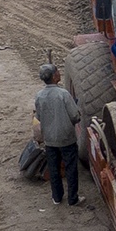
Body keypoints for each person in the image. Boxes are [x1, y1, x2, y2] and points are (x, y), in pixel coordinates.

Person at [33, 64, 81, 205]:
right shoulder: (64, 94)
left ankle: (57, 197)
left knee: (54, 169)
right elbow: (75, 116)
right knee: (71, 168)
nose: (60, 74)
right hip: (66, 138)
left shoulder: (39, 96)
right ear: (54, 76)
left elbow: (39, 117)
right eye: (58, 72)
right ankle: (73, 199)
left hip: (49, 139)